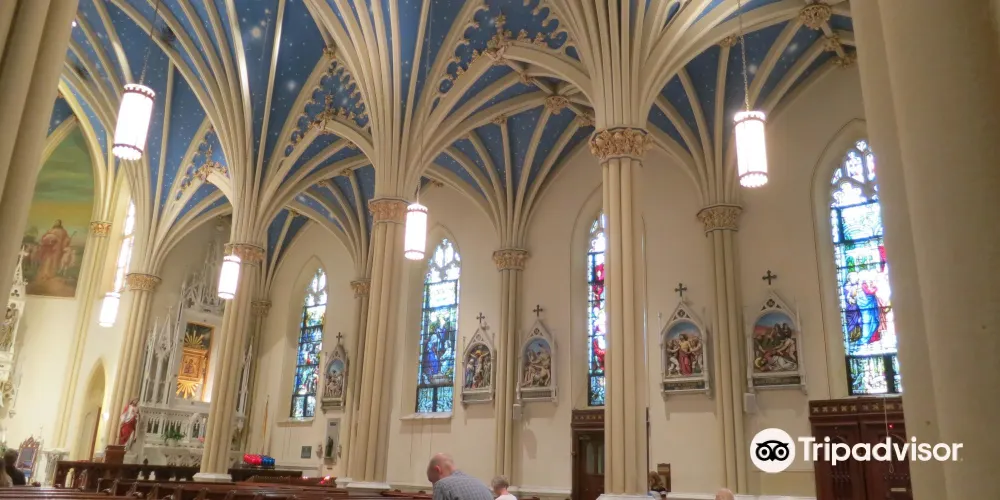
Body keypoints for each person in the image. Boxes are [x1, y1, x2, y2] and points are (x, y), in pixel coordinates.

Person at [426, 453, 492, 500]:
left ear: (438, 470)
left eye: (432, 481)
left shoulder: (441, 485)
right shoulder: (481, 484)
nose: (433, 487)